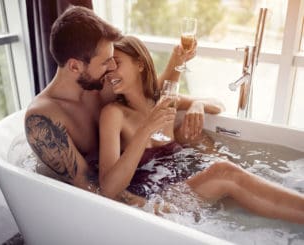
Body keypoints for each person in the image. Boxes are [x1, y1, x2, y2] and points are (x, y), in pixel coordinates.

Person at [98, 35, 304, 224]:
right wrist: (147, 128)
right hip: (157, 197)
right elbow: (108, 188)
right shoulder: (114, 114)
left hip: (185, 182)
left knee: (242, 176)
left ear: (140, 64)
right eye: (107, 68)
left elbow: (217, 105)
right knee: (225, 171)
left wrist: (198, 105)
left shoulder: (163, 101)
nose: (110, 72)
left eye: (117, 63)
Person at [24, 6, 205, 206]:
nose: (112, 69)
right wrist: (159, 210)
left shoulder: (97, 84)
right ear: (75, 66)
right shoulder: (42, 119)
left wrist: (177, 60)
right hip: (90, 205)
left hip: (131, 179)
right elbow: (91, 188)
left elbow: (146, 92)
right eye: (105, 63)